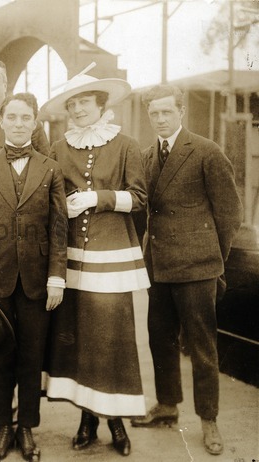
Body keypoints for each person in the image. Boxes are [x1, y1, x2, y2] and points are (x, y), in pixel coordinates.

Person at [42, 70, 150, 457]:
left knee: (113, 340)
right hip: (71, 259)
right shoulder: (59, 147)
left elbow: (139, 198)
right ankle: (86, 418)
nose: (77, 110)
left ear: (101, 104)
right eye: (71, 104)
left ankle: (116, 422)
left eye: (84, 102)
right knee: (79, 339)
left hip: (113, 257)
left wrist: (98, 198)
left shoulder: (126, 145)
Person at [131, 85, 243, 456]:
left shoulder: (206, 151)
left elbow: (229, 213)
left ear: (181, 112)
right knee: (159, 339)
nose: (160, 119)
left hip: (197, 268)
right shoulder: (147, 157)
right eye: (154, 114)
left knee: (202, 347)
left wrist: (215, 262)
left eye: (166, 112)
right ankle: (167, 405)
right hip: (159, 267)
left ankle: (208, 420)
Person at [0, 92, 68, 462]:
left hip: (38, 280)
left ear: (35, 122)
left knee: (31, 352)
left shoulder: (51, 168)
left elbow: (59, 227)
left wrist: (57, 277)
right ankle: (2, 426)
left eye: (26, 117)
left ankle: (26, 426)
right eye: (13, 117)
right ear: (3, 121)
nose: (19, 123)